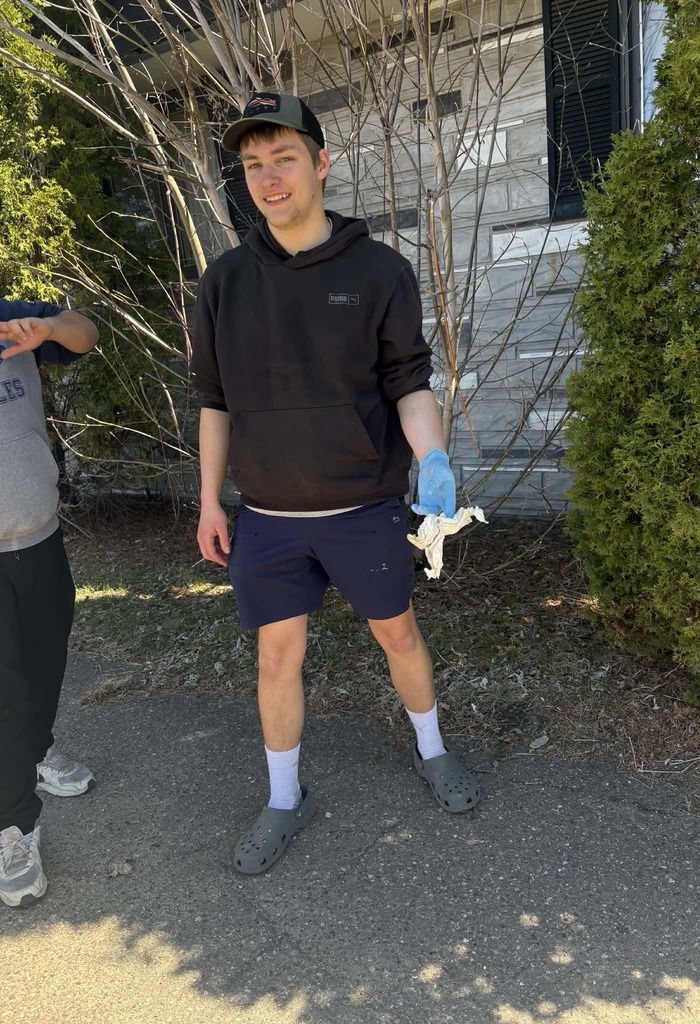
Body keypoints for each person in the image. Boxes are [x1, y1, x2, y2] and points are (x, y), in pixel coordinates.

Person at [191, 92, 480, 876]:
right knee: (275, 661)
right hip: (270, 519)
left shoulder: (380, 270)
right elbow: (213, 401)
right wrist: (211, 498)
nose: (268, 178)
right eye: (253, 165)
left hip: (362, 507)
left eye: (284, 158)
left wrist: (432, 457)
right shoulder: (222, 284)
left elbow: (408, 384)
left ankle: (433, 750)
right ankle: (285, 799)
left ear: (321, 163)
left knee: (398, 634)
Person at [0, 300, 99, 908]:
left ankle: (35, 752)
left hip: (37, 536)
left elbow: (86, 332)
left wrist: (49, 331)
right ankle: (13, 826)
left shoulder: (13, 320)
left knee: (44, 658)